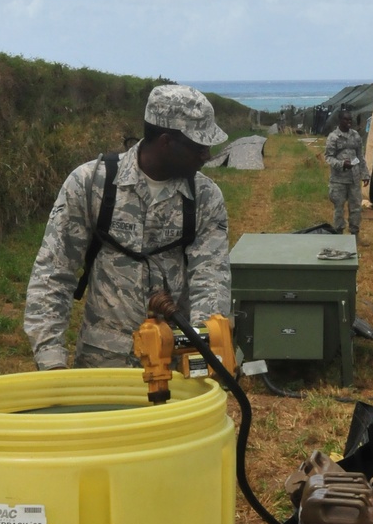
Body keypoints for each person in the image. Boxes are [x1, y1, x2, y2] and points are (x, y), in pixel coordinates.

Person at [24, 84, 231, 369]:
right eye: (199, 146)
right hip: (102, 363)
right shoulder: (91, 183)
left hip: (173, 367)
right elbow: (53, 274)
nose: (207, 155)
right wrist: (51, 363)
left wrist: (204, 361)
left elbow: (211, 282)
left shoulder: (205, 198)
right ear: (166, 142)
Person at [324, 107, 369, 236]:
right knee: (339, 208)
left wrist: (365, 174)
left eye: (350, 119)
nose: (349, 122)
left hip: (354, 179)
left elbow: (360, 156)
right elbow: (328, 157)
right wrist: (341, 164)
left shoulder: (355, 135)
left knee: (356, 208)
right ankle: (338, 234)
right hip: (338, 180)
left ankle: (355, 234)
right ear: (340, 121)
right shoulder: (333, 137)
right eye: (345, 119)